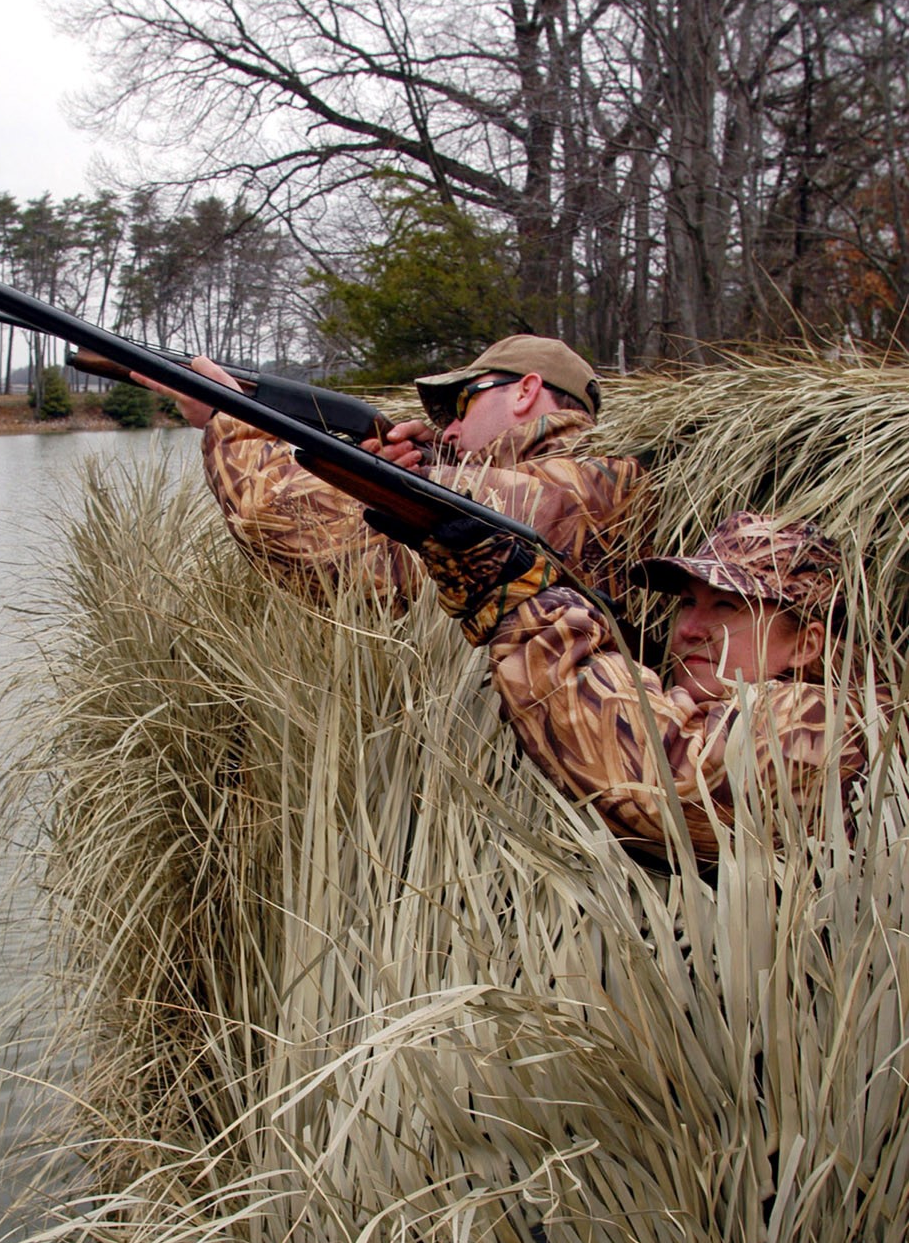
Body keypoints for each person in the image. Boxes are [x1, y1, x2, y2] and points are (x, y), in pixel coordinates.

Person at [403, 508, 872, 862]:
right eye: (688, 602)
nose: (690, 628)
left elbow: (660, 786)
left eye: (729, 608)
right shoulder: (703, 706)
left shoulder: (843, 724)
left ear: (808, 644)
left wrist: (519, 601)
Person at [143, 336, 648, 608]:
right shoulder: (596, 479)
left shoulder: (589, 486)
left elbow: (304, 541)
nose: (447, 429)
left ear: (524, 391)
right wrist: (413, 469)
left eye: (462, 404)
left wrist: (227, 416)